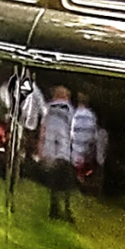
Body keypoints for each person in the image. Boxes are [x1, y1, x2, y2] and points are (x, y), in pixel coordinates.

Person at [37, 83, 77, 222]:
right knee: (66, 182)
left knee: (53, 180)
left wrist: (41, 147)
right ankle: (66, 210)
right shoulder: (70, 110)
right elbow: (73, 131)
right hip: (64, 151)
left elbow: (43, 128)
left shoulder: (48, 108)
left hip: (50, 151)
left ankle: (53, 208)